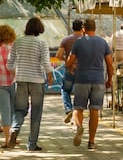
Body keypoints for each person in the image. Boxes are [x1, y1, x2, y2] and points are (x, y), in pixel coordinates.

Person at [6, 17, 54, 151]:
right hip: (37, 81)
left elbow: (9, 64)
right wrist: (50, 76)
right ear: (39, 29)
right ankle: (32, 144)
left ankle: (14, 129)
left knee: (20, 110)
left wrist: (17, 72)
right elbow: (45, 62)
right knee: (36, 113)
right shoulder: (41, 43)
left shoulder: (18, 42)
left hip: (21, 80)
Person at [67, 19, 115, 150]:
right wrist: (109, 79)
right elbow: (110, 63)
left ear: (84, 29)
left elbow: (69, 61)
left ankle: (79, 127)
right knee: (94, 110)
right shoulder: (103, 43)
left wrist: (71, 68)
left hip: (82, 79)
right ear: (95, 28)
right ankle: (91, 142)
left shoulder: (78, 42)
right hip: (98, 80)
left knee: (78, 108)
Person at [55, 19, 84, 123]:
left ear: (72, 28)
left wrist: (66, 59)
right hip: (82, 70)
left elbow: (58, 55)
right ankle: (77, 111)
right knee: (79, 91)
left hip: (69, 69)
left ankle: (68, 109)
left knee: (65, 90)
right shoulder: (86, 40)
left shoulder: (66, 40)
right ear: (82, 28)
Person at [0, 25, 15, 148]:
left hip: (0, 84)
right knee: (13, 110)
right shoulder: (14, 48)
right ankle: (12, 137)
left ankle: (7, 139)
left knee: (5, 111)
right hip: (14, 82)